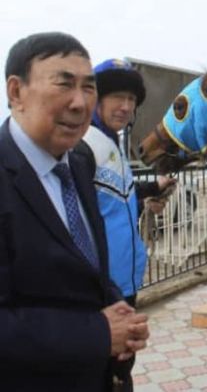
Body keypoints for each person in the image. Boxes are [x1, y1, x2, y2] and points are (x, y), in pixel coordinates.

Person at [0, 32, 150, 391]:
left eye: (88, 88)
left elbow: (88, 262)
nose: (80, 103)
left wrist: (119, 308)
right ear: (16, 92)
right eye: (63, 85)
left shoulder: (79, 162)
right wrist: (98, 334)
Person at [73, 58, 175, 391]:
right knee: (108, 372)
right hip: (102, 287)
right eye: (117, 96)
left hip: (123, 281)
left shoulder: (111, 143)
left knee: (122, 365)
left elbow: (113, 200)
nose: (126, 106)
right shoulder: (83, 146)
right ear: (96, 98)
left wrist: (147, 196)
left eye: (132, 100)